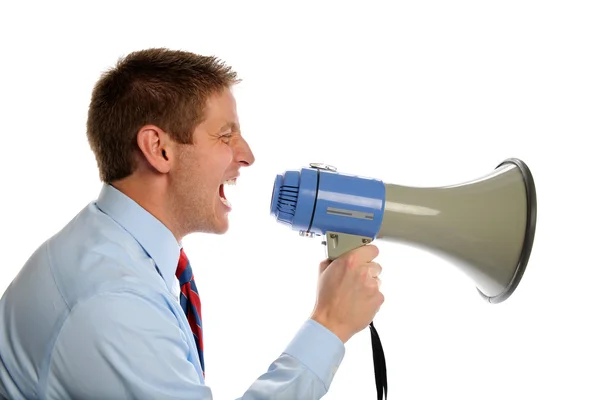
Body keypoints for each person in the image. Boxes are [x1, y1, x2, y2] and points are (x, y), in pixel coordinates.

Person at [0, 48, 384, 400]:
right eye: (225, 135)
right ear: (159, 149)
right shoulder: (111, 301)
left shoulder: (110, 248)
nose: (247, 155)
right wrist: (330, 324)